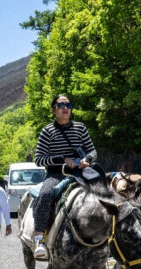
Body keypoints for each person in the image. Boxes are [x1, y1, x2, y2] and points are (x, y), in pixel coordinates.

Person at [32, 94, 97, 259]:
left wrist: (87, 159)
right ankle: (39, 239)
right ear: (54, 109)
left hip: (81, 172)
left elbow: (92, 151)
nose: (66, 108)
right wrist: (62, 159)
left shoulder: (80, 128)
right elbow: (39, 160)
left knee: (106, 193)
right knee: (46, 194)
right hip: (57, 174)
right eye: (61, 105)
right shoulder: (47, 131)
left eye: (69, 105)